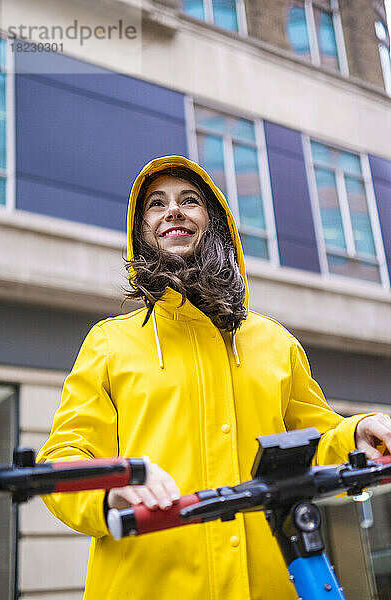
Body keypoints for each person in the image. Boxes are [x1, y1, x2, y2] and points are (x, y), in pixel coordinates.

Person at [38, 155, 391, 600]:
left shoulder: (275, 342)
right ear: (142, 231)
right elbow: (65, 456)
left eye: (190, 200)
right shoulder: (109, 343)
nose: (173, 211)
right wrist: (113, 491)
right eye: (156, 204)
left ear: (215, 223)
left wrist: (357, 435)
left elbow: (316, 444)